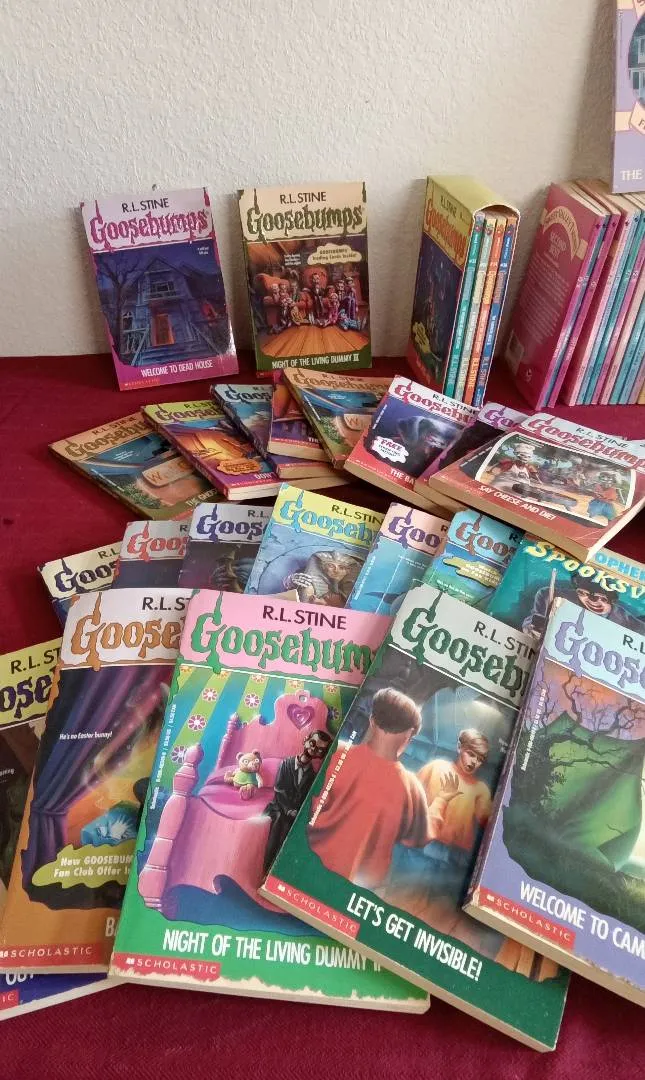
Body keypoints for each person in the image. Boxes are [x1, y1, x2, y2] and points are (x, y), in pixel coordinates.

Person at [307, 688, 460, 889]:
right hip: (360, 888)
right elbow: (420, 836)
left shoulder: (338, 755)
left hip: (310, 860)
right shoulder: (411, 787)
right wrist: (442, 800)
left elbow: (312, 800)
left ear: (372, 720)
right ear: (410, 734)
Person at [263, 730, 331, 872]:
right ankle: (266, 866)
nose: (313, 749)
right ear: (306, 740)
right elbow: (279, 789)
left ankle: (278, 868)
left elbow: (307, 797)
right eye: (312, 743)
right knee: (279, 822)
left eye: (319, 749)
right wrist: (288, 809)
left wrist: (298, 811)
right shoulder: (286, 764)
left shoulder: (312, 775)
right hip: (279, 807)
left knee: (294, 830)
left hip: (295, 812)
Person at [522, 570, 645, 638]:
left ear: (612, 601)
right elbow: (531, 623)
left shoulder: (625, 620)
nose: (592, 601)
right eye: (583, 593)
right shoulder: (551, 595)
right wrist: (535, 626)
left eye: (601, 598)